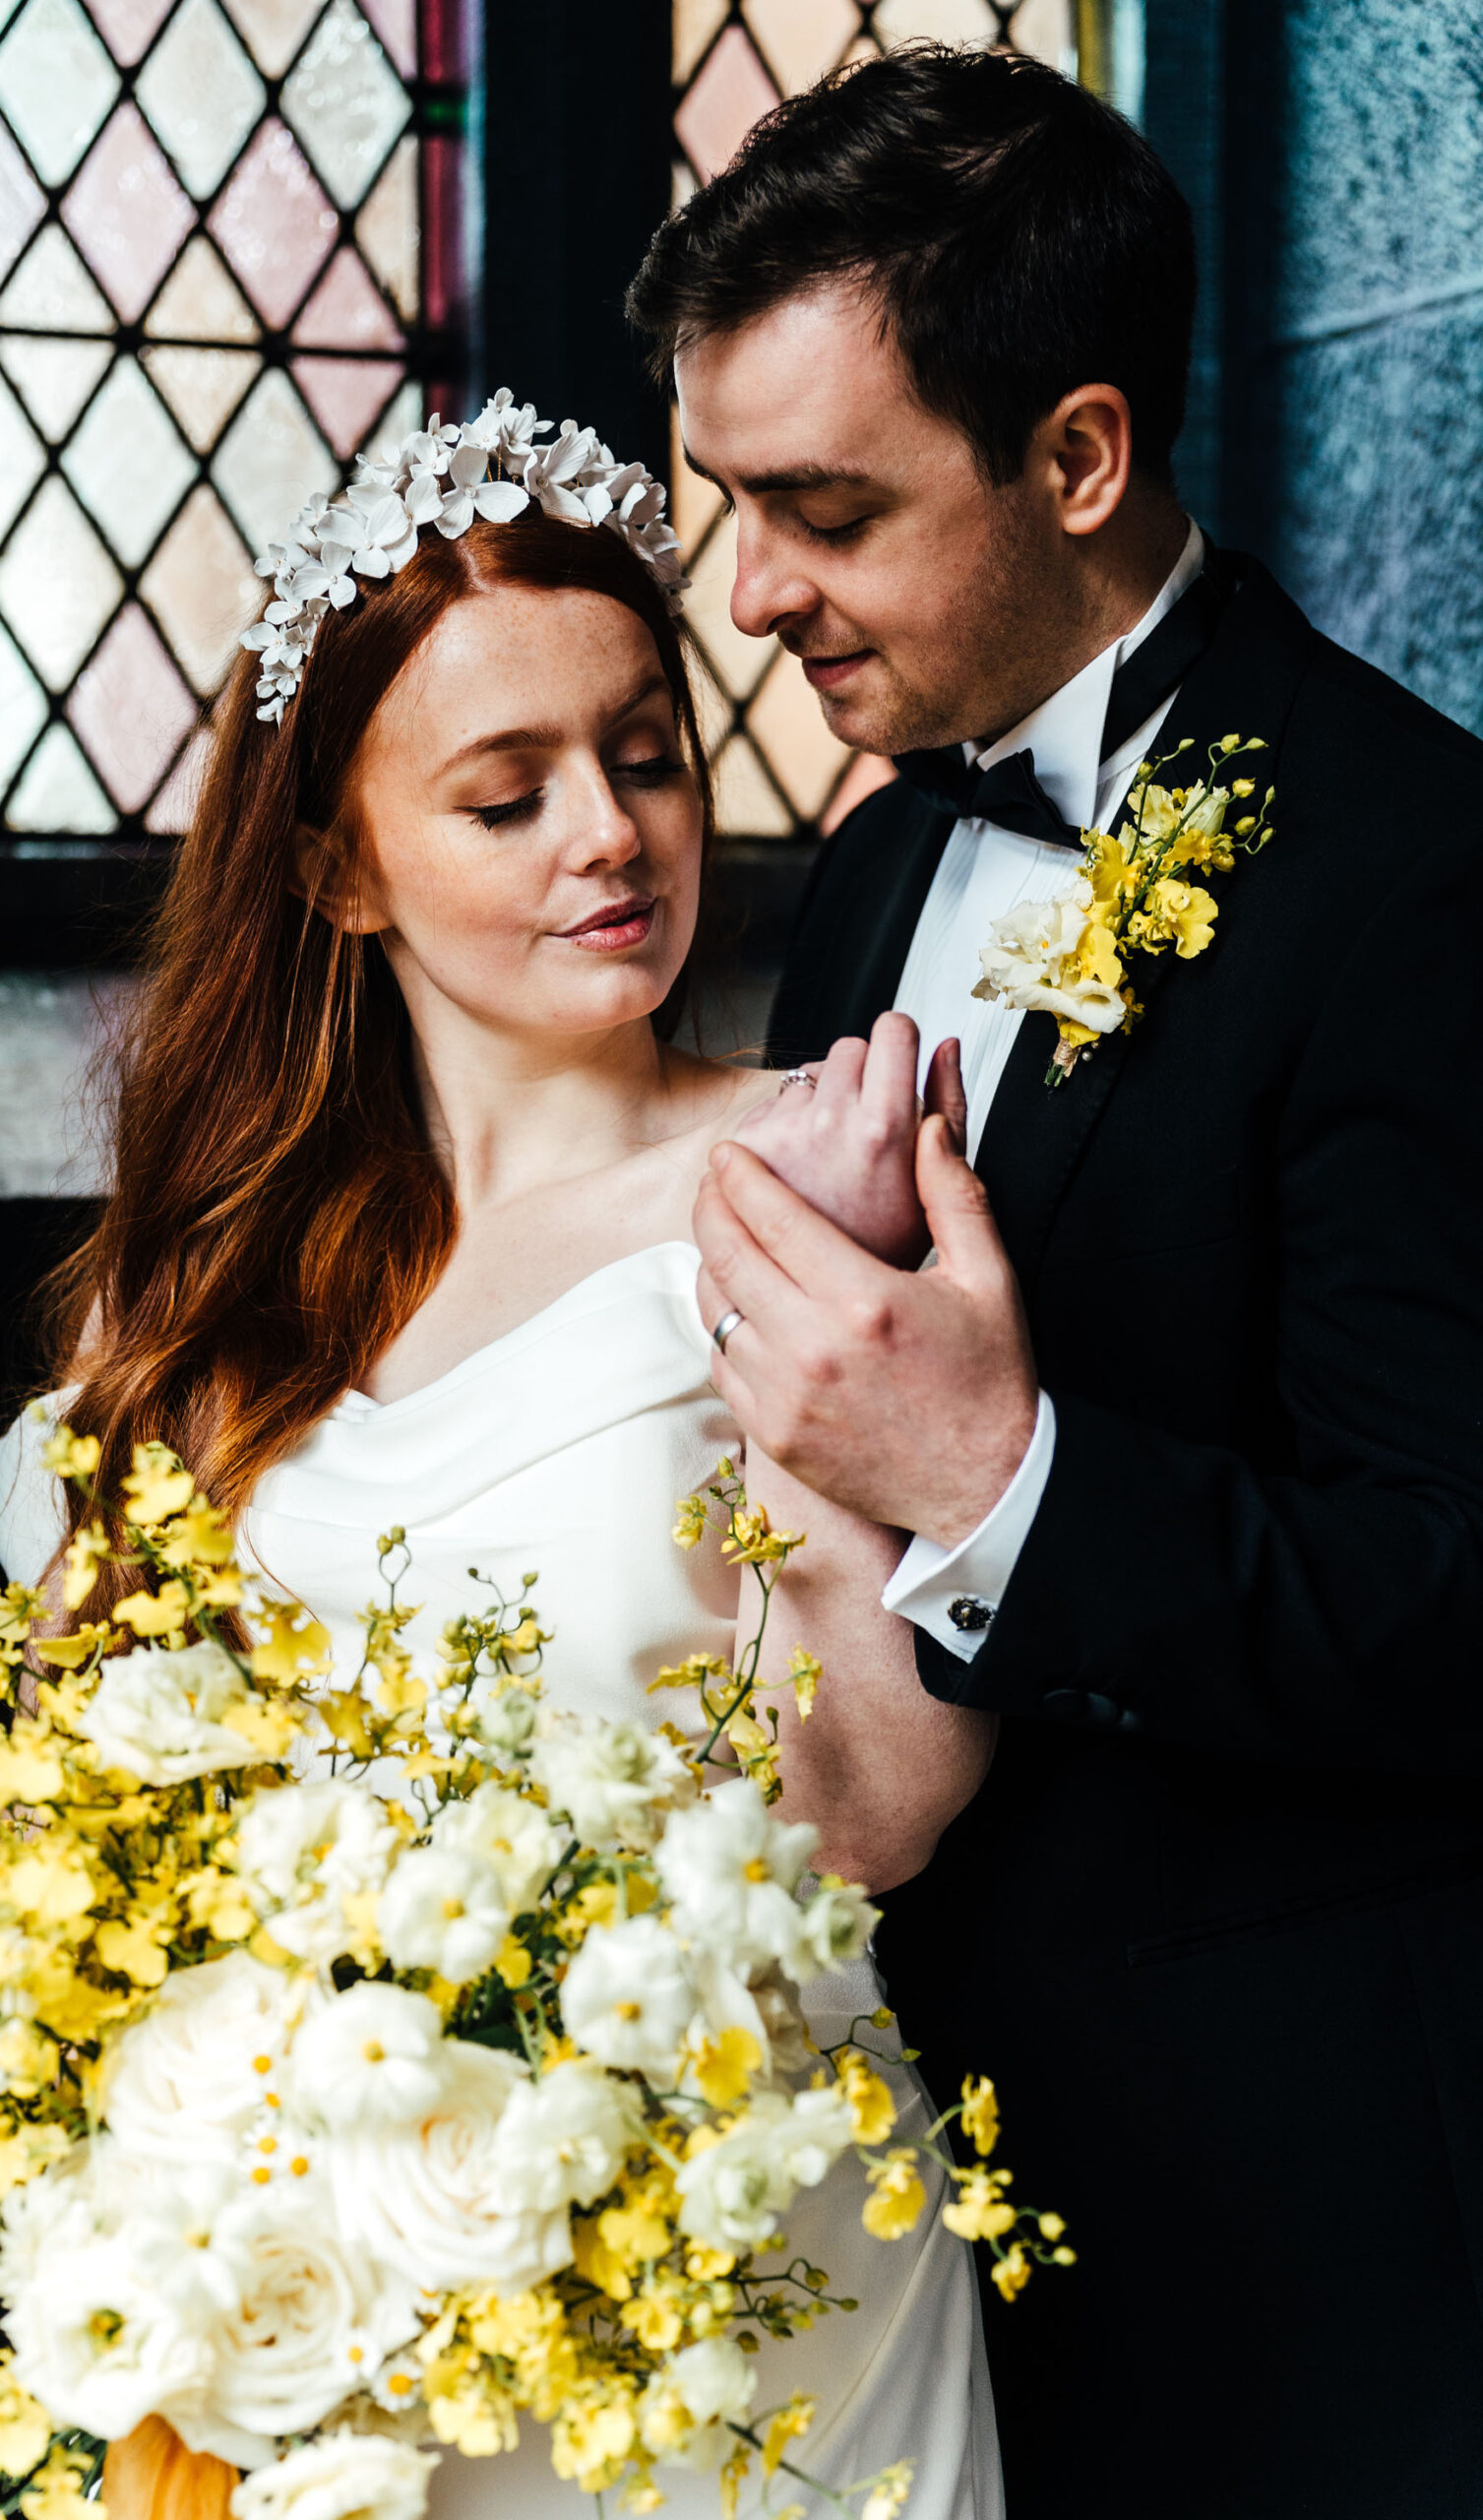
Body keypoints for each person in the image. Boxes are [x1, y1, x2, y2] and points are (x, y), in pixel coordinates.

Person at [0, 402, 1005, 2516]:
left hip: (739, 2274)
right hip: (318, 2283)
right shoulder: (200, 1293)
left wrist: (815, 1314)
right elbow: (81, 1850)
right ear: (338, 864)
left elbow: (879, 1808)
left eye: (646, 755)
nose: (608, 835)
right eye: (506, 793)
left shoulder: (814, 1166)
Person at [627, 41, 1483, 2520]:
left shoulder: (1417, 874)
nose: (749, 592)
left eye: (821, 510)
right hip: (887, 2189)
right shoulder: (883, 866)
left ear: (1079, 456)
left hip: (1275, 2228)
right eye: (731, 505)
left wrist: (999, 1476)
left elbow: (1450, 1588)